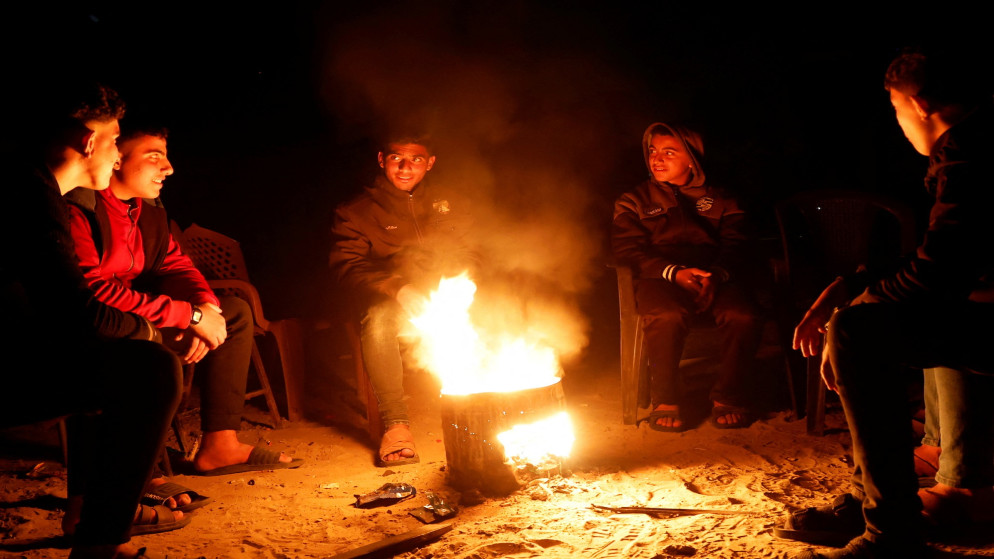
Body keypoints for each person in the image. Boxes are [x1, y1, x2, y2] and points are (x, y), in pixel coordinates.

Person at [781, 48, 994, 559]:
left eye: (896, 109)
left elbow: (939, 272)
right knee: (879, 316)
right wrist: (848, 288)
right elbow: (936, 256)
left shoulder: (971, 158)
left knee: (860, 332)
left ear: (919, 104)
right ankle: (885, 495)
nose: (897, 122)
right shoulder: (968, 150)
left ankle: (891, 531)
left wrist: (850, 313)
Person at [1, 82, 183, 559]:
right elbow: (77, 312)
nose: (116, 154)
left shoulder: (33, 187)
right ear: (88, 142)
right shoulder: (28, 197)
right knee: (150, 369)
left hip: (19, 350)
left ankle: (94, 519)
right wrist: (149, 330)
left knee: (123, 362)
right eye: (114, 139)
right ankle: (100, 542)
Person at [65, 124, 302, 477]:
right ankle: (138, 473)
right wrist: (188, 316)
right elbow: (94, 292)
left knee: (234, 311)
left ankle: (220, 444)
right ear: (117, 159)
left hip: (138, 315)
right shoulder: (80, 209)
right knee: (149, 353)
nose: (169, 168)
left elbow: (175, 263)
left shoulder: (149, 210)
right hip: (94, 327)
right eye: (154, 156)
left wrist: (206, 306)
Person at [612, 122, 763, 431]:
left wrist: (717, 275)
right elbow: (627, 250)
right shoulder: (634, 200)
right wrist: (673, 272)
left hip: (715, 273)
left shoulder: (722, 199)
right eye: (653, 151)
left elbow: (738, 244)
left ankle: (728, 396)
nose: (657, 159)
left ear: (692, 159)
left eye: (669, 152)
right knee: (666, 314)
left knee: (743, 314)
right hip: (658, 276)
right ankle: (665, 398)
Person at [330, 132, 470, 466]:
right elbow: (348, 266)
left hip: (444, 293)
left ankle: (486, 406)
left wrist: (462, 282)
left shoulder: (449, 203)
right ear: (382, 160)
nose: (406, 167)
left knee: (499, 307)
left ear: (430, 163)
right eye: (397, 158)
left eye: (416, 159)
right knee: (378, 321)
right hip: (389, 299)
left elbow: (471, 250)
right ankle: (396, 425)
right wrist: (398, 288)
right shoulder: (356, 212)